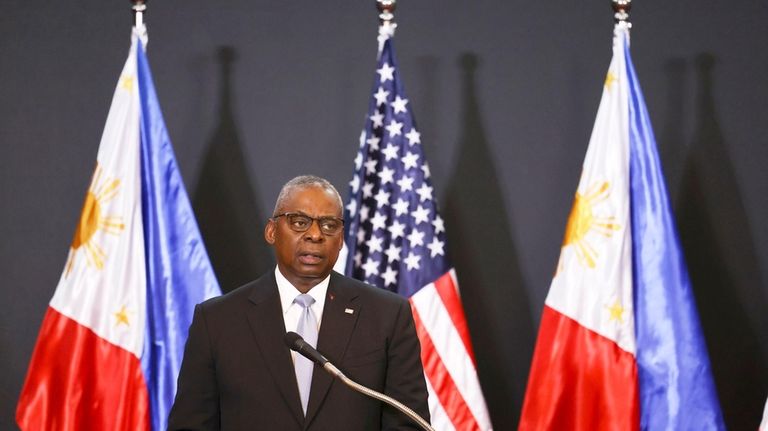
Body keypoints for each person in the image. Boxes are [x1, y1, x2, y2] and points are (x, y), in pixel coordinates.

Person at [168, 175, 430, 430]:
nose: (315, 235)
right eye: (300, 222)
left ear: (340, 239)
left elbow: (409, 424)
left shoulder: (386, 315)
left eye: (329, 225)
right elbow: (191, 424)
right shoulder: (217, 320)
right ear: (271, 231)